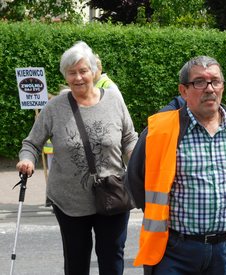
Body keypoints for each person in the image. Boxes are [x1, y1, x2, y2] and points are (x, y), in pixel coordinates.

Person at [16, 41, 138, 274]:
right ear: (66, 75)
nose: (79, 77)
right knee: (76, 261)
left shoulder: (114, 99)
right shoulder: (54, 107)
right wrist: (27, 160)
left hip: (113, 195)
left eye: (83, 71)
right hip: (69, 200)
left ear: (93, 71)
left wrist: (135, 159)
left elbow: (129, 137)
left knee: (112, 259)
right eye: (72, 72)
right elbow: (31, 143)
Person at [127, 56, 226, 275]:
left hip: (225, 249)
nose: (209, 88)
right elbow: (135, 179)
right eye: (199, 82)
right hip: (175, 251)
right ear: (183, 91)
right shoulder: (161, 130)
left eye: (215, 81)